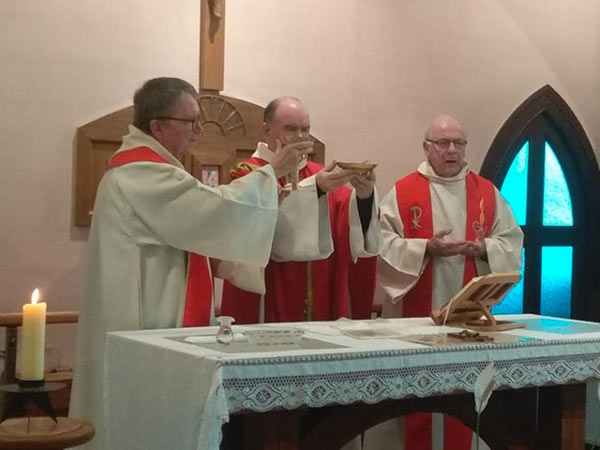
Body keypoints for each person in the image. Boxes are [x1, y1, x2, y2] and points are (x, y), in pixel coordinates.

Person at [69, 78, 309, 450]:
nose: (198, 131)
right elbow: (212, 210)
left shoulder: (154, 169)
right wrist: (271, 172)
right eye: (191, 122)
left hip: (155, 321)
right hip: (142, 324)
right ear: (157, 126)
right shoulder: (140, 173)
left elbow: (200, 223)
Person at [376, 115, 523, 450]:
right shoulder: (403, 192)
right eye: (443, 143)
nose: (452, 150)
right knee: (416, 403)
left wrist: (483, 248)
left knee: (464, 403)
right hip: (415, 321)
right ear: (427, 147)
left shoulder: (486, 192)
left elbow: (512, 240)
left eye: (459, 143)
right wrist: (425, 248)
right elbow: (380, 245)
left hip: (468, 321)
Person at [220, 96, 381, 323]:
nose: (300, 137)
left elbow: (349, 226)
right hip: (269, 293)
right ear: (266, 130)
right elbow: (252, 227)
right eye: (291, 129)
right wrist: (315, 190)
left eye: (305, 130)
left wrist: (364, 197)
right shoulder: (248, 173)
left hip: (321, 298)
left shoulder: (320, 174)